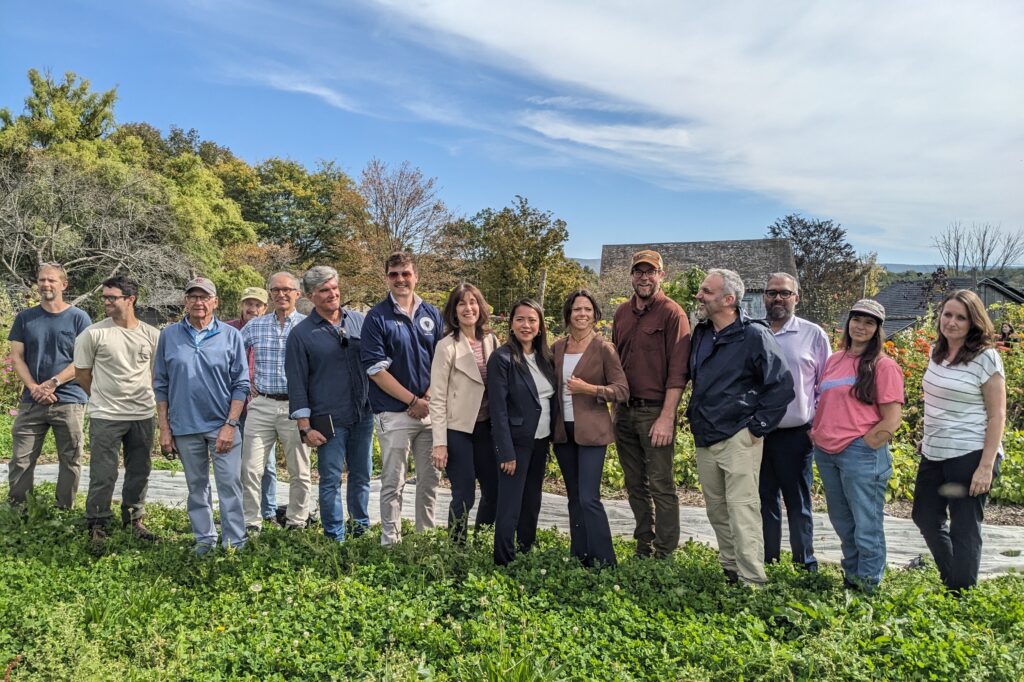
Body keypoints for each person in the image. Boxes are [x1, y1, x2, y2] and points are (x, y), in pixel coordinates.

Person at [688, 269, 794, 586]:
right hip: (705, 435)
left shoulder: (754, 336)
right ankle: (731, 569)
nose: (698, 296)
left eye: (706, 291)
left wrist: (755, 428)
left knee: (742, 510)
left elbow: (781, 386)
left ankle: (752, 580)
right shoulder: (702, 333)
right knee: (717, 510)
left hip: (738, 436)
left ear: (728, 299)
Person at [913, 290, 1006, 592]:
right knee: (925, 516)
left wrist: (986, 466)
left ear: (973, 322)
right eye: (948, 314)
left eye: (961, 317)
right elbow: (936, 402)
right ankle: (954, 579)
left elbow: (997, 416)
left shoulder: (986, 358)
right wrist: (928, 436)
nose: (951, 322)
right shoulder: (936, 352)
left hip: (971, 453)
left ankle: (960, 593)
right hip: (934, 451)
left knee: (964, 527)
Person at [811, 299, 904, 592]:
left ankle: (868, 585)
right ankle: (852, 577)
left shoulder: (883, 366)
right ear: (848, 322)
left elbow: (892, 419)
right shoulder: (835, 360)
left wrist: (865, 445)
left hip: (859, 454)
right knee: (842, 521)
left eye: (869, 322)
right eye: (856, 320)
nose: (860, 327)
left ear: (877, 329)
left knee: (866, 524)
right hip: (827, 453)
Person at [153, 277, 249, 554]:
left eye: (204, 297)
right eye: (193, 297)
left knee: (230, 484)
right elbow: (161, 384)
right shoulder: (169, 335)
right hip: (185, 425)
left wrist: (231, 424)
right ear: (185, 301)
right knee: (196, 487)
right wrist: (164, 428)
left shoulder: (231, 336)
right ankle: (204, 540)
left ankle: (235, 542)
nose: (199, 302)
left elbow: (241, 384)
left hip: (222, 424)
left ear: (215, 302)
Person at [611, 250, 690, 558]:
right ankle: (644, 544)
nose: (644, 277)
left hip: (655, 410)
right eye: (639, 272)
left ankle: (665, 551)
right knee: (634, 483)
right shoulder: (622, 313)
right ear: (632, 276)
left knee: (661, 483)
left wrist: (667, 417)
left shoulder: (672, 314)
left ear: (661, 275)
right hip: (624, 410)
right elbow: (615, 363)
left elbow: (678, 372)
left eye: (650, 272)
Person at [286, 266, 373, 542]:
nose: (332, 294)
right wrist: (305, 427)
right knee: (330, 480)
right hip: (327, 419)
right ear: (310, 296)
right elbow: (296, 384)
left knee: (362, 475)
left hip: (362, 414)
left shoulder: (360, 322)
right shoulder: (301, 334)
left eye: (334, 288)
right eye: (324, 290)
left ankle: (360, 531)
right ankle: (334, 537)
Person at [361, 252, 443, 546]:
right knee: (393, 482)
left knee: (430, 481)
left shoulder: (432, 314)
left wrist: (427, 398)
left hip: (430, 412)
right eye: (394, 274)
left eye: (406, 273)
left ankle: (425, 541)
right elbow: (375, 370)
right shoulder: (376, 317)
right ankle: (390, 543)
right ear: (386, 278)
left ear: (416, 276)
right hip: (394, 414)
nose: (400, 279)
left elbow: (443, 362)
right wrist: (412, 401)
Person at [74, 276, 160, 544]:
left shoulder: (152, 335)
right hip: (106, 415)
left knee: (140, 470)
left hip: (143, 414)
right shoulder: (93, 334)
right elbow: (82, 374)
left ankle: (134, 519)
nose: (106, 302)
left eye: (112, 297)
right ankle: (97, 523)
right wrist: (101, 397)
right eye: (105, 297)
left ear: (130, 299)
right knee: (103, 473)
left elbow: (156, 374)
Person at [758, 273, 830, 571]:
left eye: (785, 293)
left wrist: (817, 426)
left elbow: (826, 385)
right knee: (765, 501)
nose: (778, 298)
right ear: (764, 297)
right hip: (759, 433)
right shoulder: (754, 332)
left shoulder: (813, 335)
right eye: (772, 292)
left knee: (798, 503)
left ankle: (805, 564)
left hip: (796, 435)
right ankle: (769, 561)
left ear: (796, 298)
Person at [552, 290, 629, 567]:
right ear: (568, 314)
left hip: (592, 432)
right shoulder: (557, 348)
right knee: (574, 498)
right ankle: (580, 555)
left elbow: (622, 390)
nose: (582, 314)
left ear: (595, 315)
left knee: (588, 497)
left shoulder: (604, 348)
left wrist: (590, 389)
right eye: (576, 309)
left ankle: (606, 560)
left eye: (587, 309)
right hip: (563, 431)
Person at [7, 262, 91, 509]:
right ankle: (19, 511)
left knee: (71, 458)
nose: (45, 284)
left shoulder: (79, 318)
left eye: (51, 280)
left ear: (64, 284)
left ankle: (64, 510)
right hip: (32, 400)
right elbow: (17, 357)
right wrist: (35, 387)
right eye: (42, 279)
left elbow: (83, 359)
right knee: (21, 459)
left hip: (69, 399)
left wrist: (54, 382)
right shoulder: (25, 318)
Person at [428, 283, 500, 543]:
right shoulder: (446, 346)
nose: (468, 308)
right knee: (464, 494)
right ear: (454, 310)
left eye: (473, 302)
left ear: (481, 307)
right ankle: (456, 547)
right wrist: (440, 443)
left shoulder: (491, 340)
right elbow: (437, 398)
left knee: (494, 490)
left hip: (486, 428)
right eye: (461, 303)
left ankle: (481, 540)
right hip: (458, 429)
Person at [488, 299, 557, 566]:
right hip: (515, 444)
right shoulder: (502, 358)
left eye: (532, 320)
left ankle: (526, 550)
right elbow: (498, 410)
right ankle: (504, 560)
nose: (526, 325)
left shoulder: (545, 358)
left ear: (540, 326)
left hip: (540, 440)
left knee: (532, 499)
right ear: (511, 324)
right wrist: (505, 452)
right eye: (520, 319)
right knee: (510, 503)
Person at [240, 275, 311, 534]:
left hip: (296, 406)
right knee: (250, 468)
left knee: (299, 470)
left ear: (297, 293)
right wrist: (245, 382)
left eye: (287, 289)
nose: (281, 294)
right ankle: (251, 522)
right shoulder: (255, 326)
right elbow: (233, 355)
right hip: (262, 403)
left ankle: (297, 522)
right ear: (270, 294)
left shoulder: (307, 326)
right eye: (276, 290)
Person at [226, 286, 279, 526]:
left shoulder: (270, 329)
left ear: (265, 308)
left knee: (267, 465)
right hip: (233, 407)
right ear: (241, 305)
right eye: (248, 303)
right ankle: (240, 511)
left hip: (261, 406)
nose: (252, 308)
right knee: (237, 464)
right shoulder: (229, 330)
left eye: (258, 304)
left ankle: (268, 511)